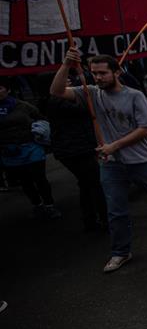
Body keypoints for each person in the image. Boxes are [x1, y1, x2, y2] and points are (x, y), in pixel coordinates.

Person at [51, 48, 147, 272]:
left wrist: (114, 145)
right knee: (116, 209)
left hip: (141, 160)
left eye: (102, 73)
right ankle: (120, 251)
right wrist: (66, 65)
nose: (98, 78)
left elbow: (146, 128)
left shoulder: (134, 95)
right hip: (111, 164)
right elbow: (57, 91)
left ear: (116, 72)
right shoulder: (90, 93)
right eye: (94, 73)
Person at [46, 80, 107, 230]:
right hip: (74, 149)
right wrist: (89, 98)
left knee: (86, 184)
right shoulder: (56, 102)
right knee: (95, 183)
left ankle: (90, 219)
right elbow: (85, 110)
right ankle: (106, 218)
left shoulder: (63, 99)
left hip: (77, 147)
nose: (68, 81)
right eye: (64, 80)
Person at [0, 78, 61, 219]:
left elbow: (40, 118)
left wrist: (39, 131)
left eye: (0, 88)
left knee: (39, 178)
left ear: (8, 90)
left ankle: (49, 205)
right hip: (9, 151)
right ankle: (37, 205)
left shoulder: (22, 106)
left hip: (30, 147)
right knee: (25, 181)